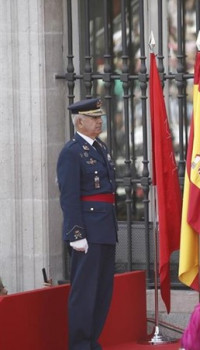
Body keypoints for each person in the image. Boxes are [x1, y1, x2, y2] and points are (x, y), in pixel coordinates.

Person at [57, 97, 118, 350]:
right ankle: (80, 344)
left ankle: (92, 341)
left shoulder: (99, 147)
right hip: (87, 231)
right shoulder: (71, 152)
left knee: (102, 291)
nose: (99, 121)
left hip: (104, 227)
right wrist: (76, 233)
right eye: (94, 118)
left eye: (100, 117)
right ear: (79, 121)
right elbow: (69, 196)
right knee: (84, 293)